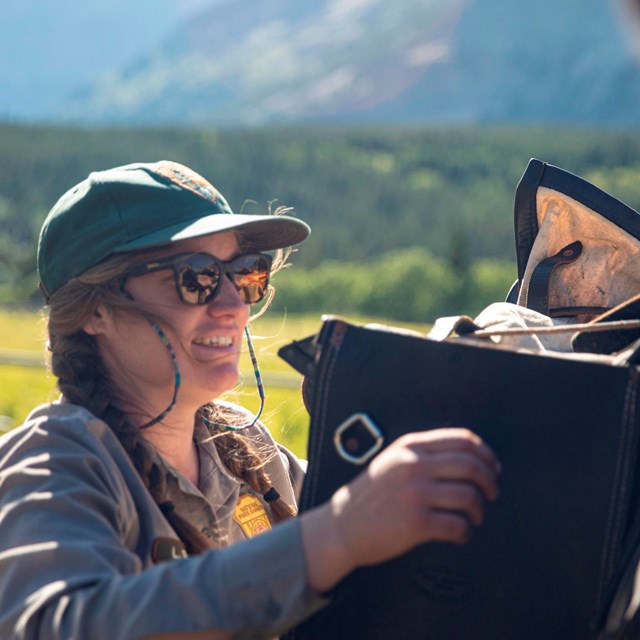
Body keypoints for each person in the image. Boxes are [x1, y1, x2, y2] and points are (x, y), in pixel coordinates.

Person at [0, 160, 500, 640]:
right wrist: (334, 536)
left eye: (246, 273)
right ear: (94, 312)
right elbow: (55, 627)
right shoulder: (57, 460)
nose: (236, 305)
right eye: (193, 278)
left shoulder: (242, 447)